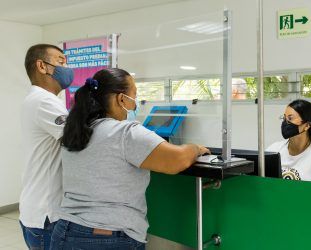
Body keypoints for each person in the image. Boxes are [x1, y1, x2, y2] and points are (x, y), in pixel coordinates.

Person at [50, 68, 210, 249]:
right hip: (107, 237)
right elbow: (177, 160)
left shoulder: (75, 132)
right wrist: (196, 148)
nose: (135, 104)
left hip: (64, 231)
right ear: (121, 99)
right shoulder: (124, 132)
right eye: (134, 95)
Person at [20, 44, 74, 249]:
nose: (67, 68)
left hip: (37, 209)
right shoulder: (44, 102)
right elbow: (78, 140)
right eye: (61, 62)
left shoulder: (41, 100)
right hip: (46, 214)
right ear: (42, 66)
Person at [267, 99, 311, 183]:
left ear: (307, 125)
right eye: (284, 118)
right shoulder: (273, 150)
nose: (285, 122)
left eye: (290, 118)